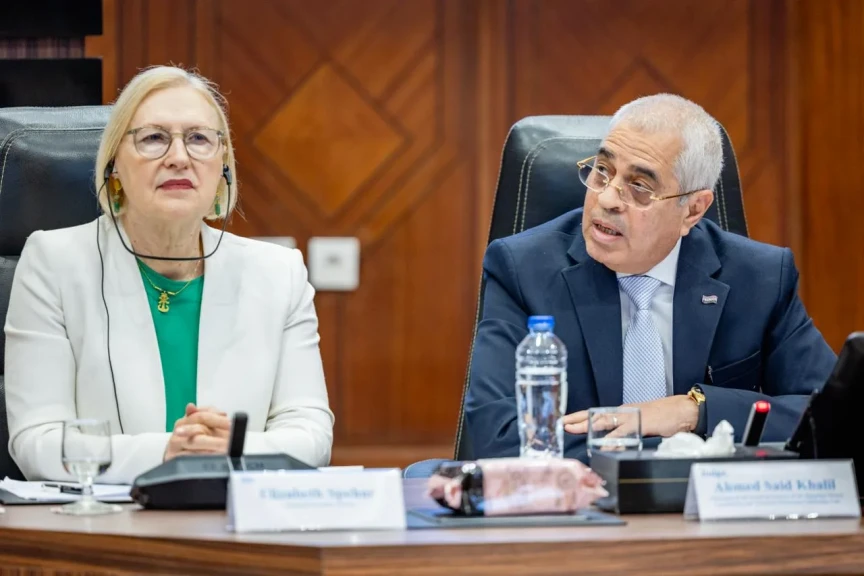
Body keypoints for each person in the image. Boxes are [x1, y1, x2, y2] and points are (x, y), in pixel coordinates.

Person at [4, 66, 334, 483]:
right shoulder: (54, 263)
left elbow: (312, 435)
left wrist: (229, 449)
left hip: (236, 516)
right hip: (109, 518)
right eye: (154, 138)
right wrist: (167, 452)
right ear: (113, 166)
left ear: (222, 168)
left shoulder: (278, 272)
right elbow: (37, 441)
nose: (179, 157)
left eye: (198, 139)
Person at [465, 94, 836, 461]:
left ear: (693, 210)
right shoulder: (522, 270)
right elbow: (495, 438)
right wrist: (673, 446)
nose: (607, 199)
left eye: (640, 187)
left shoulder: (760, 279)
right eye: (602, 171)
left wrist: (694, 411)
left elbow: (836, 418)